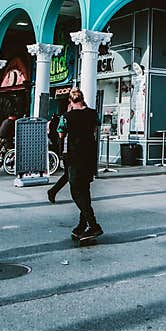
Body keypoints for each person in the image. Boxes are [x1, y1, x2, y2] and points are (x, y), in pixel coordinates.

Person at [58, 89, 102, 242]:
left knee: (76, 191)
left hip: (74, 156)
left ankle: (93, 224)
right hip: (89, 156)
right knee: (85, 190)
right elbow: (95, 129)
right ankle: (82, 225)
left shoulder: (66, 117)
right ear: (83, 99)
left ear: (70, 101)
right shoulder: (93, 114)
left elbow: (61, 134)